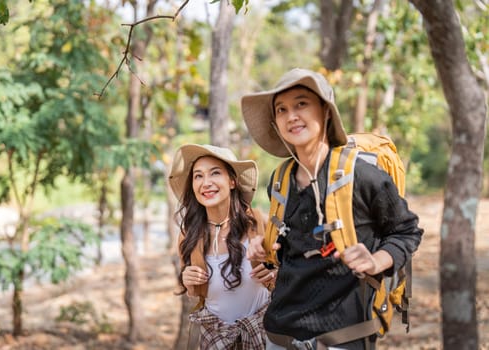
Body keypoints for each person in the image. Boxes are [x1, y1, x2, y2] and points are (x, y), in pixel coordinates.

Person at [240, 68, 423, 350]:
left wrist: (376, 261)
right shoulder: (280, 181)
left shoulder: (362, 177)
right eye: (282, 109)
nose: (292, 116)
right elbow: (292, 252)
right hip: (279, 336)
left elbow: (406, 231)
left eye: (302, 104)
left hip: (343, 338)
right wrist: (263, 251)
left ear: (325, 111)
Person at [169, 144, 275, 350]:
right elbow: (194, 292)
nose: (206, 183)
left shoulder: (259, 224)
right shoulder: (189, 235)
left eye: (215, 173)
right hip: (215, 339)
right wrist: (187, 279)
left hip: (263, 334)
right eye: (198, 176)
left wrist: (274, 272)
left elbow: (286, 273)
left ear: (232, 181)